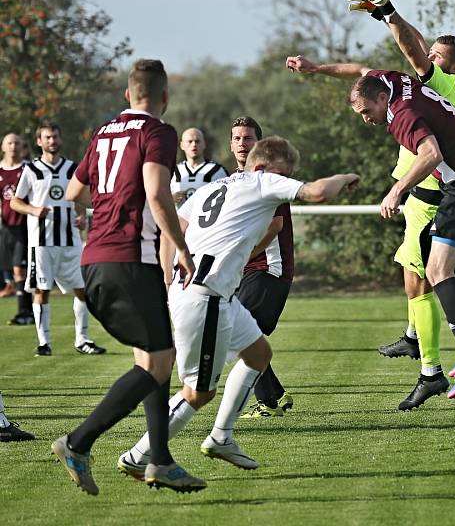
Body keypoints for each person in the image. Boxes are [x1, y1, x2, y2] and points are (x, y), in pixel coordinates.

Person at [117, 136, 359, 477]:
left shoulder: (212, 188)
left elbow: (175, 232)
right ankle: (139, 455)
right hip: (206, 295)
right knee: (198, 392)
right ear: (261, 167)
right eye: (283, 174)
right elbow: (317, 192)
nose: (285, 182)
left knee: (259, 353)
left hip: (211, 293)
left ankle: (221, 437)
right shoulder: (260, 180)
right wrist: (345, 177)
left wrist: (169, 279)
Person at [286, 48, 455, 409]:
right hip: (422, 199)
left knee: (424, 280)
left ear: (454, 68)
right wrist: (316, 69)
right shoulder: (404, 85)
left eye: (437, 55)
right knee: (412, 277)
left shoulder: (441, 82)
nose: (428, 58)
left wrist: (386, 12)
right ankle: (415, 337)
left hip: (430, 197)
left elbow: (409, 44)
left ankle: (432, 370)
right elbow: (359, 70)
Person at [53, 59, 206, 496]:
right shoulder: (157, 132)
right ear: (164, 97)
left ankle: (160, 460)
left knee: (150, 358)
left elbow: (74, 192)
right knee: (159, 362)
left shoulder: (103, 133)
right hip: (128, 261)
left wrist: (108, 204)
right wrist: (182, 248)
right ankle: (77, 443)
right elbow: (157, 194)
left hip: (94, 259)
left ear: (127, 94)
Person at [347, 70, 455, 400]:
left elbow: (431, 154)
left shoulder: (400, 114)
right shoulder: (395, 81)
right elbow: (367, 67)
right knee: (448, 266)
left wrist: (396, 191)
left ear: (381, 99)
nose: (366, 120)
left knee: (435, 271)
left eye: (366, 112)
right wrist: (318, 68)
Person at [11, 122, 106, 357]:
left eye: (55, 137)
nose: (52, 141)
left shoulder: (72, 168)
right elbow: (15, 201)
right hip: (41, 242)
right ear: (39, 142)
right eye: (47, 138)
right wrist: (34, 210)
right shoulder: (31, 170)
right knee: (41, 290)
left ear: (60, 140)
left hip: (70, 240)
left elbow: (80, 198)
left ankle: (82, 339)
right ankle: (44, 343)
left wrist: (82, 217)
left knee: (82, 289)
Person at [222, 117, 296, 418]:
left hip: (268, 269)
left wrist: (246, 254)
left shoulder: (270, 179)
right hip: (243, 270)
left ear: (259, 145)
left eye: (248, 138)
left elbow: (275, 225)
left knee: (235, 334)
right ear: (231, 144)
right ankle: (274, 397)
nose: (242, 143)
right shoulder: (232, 180)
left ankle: (270, 400)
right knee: (239, 335)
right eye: (237, 138)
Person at [0, 133, 34, 325]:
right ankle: (26, 311)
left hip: (25, 226)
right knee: (15, 271)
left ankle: (25, 312)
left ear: (22, 146)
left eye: (17, 143)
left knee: (19, 269)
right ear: (3, 147)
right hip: (7, 227)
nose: (13, 146)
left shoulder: (28, 168)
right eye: (9, 143)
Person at [171, 127, 228, 206]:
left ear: (204, 144)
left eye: (197, 141)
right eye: (190, 141)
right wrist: (171, 199)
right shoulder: (172, 171)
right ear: (182, 145)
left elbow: (227, 199)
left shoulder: (217, 171)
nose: (194, 144)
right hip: (178, 218)